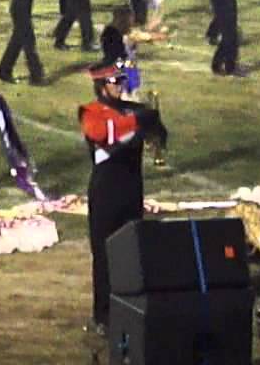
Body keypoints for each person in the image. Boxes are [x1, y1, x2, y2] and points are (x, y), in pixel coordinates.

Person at [80, 63, 167, 334]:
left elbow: (159, 136)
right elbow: (102, 132)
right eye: (114, 81)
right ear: (101, 86)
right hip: (105, 191)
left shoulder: (134, 110)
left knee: (131, 252)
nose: (119, 85)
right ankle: (103, 315)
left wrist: (157, 130)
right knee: (105, 254)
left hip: (131, 189)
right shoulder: (90, 111)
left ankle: (131, 310)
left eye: (121, 81)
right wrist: (138, 121)